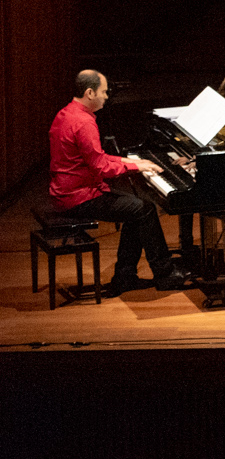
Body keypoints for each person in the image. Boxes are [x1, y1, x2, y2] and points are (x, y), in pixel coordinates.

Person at [48, 70, 188, 295]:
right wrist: (135, 167)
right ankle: (165, 273)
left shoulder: (66, 113)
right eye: (104, 92)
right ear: (90, 92)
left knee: (136, 209)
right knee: (144, 209)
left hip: (67, 191)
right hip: (78, 197)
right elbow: (101, 168)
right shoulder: (83, 122)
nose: (106, 97)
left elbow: (96, 157)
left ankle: (125, 277)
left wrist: (128, 161)